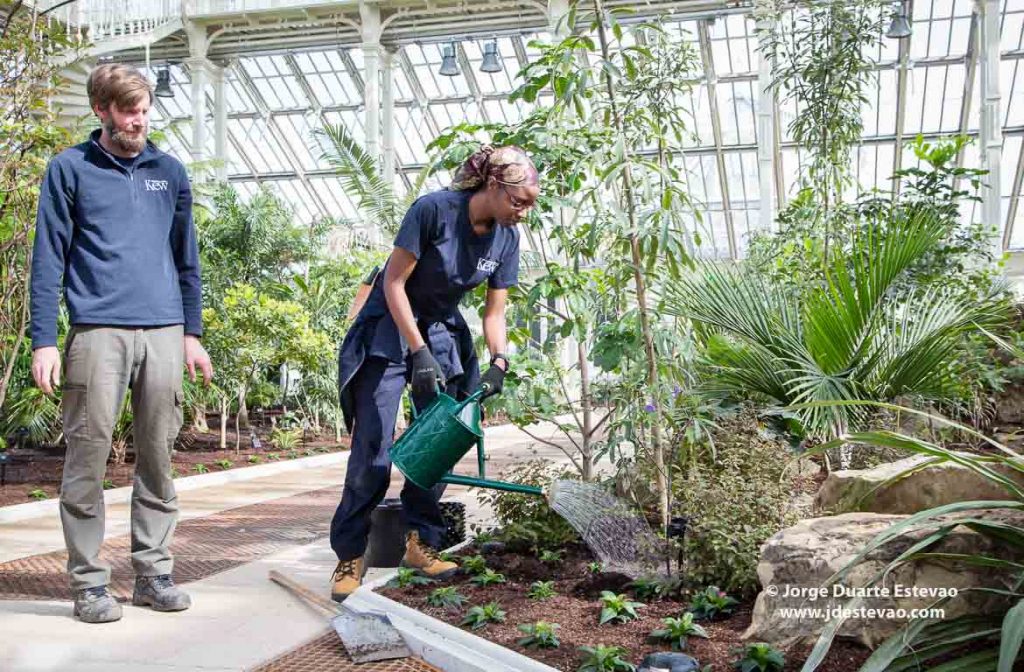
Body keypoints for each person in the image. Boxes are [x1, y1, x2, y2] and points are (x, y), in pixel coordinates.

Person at [30, 63, 213, 623]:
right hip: (96, 332)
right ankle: (89, 583)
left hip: (162, 331)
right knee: (86, 458)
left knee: (158, 457)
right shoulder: (69, 170)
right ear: (101, 111)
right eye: (128, 110)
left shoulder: (169, 171)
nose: (139, 120)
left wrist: (192, 332)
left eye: (144, 109)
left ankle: (153, 574)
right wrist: (45, 340)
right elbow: (47, 260)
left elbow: (187, 259)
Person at [330, 145, 540, 601]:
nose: (524, 212)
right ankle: (350, 554)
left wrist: (500, 360)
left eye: (530, 204)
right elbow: (393, 283)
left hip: (443, 327)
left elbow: (494, 313)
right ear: (493, 185)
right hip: (388, 325)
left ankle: (420, 543)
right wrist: (417, 351)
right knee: (374, 449)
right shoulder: (433, 211)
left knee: (442, 440)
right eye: (519, 201)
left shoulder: (506, 238)